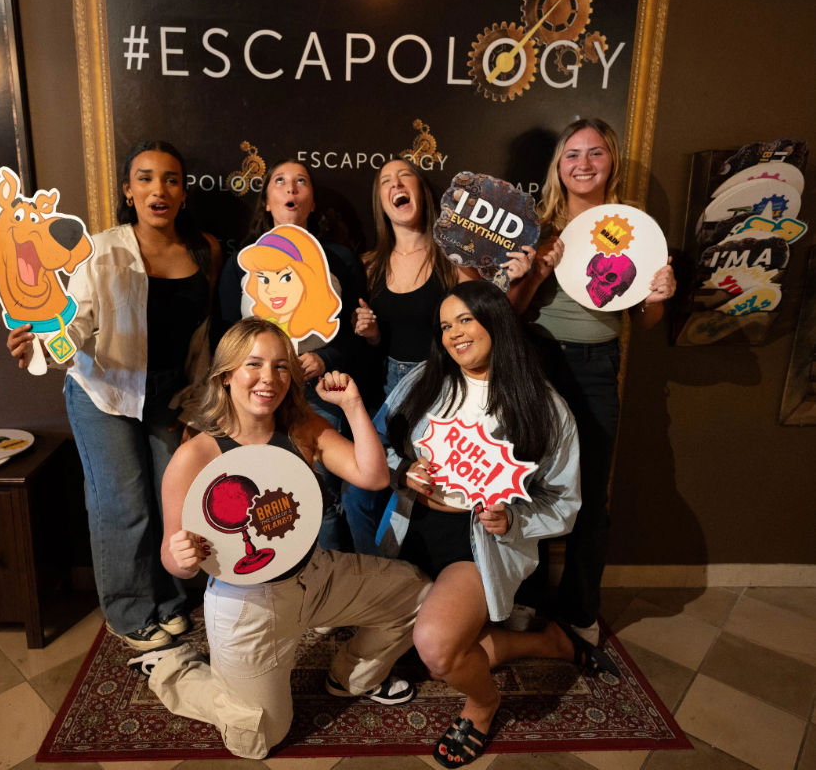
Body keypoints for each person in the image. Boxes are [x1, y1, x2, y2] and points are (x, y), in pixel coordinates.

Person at [136, 318, 430, 760]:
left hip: (313, 573)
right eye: (253, 364)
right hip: (246, 603)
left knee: (417, 591)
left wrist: (352, 406)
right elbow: (173, 561)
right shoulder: (194, 456)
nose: (268, 378)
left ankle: (350, 678)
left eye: (280, 367)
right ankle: (172, 669)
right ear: (226, 375)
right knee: (257, 740)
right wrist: (182, 556)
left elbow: (372, 476)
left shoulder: (302, 427)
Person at [376, 280, 617, 767]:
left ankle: (483, 704)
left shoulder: (543, 407)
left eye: (465, 319)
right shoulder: (423, 381)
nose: (454, 333)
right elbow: (375, 445)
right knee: (389, 642)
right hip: (410, 528)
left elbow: (565, 503)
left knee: (438, 651)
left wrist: (513, 517)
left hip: (479, 543)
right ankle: (545, 642)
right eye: (445, 325)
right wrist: (403, 469)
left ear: (496, 322)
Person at [7, 140, 222, 650]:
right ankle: (129, 614)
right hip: (104, 393)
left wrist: (198, 407)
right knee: (123, 507)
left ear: (184, 193)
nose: (158, 189)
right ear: (128, 190)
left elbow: (203, 338)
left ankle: (169, 600)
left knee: (174, 503)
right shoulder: (101, 248)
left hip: (169, 399)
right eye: (145, 178)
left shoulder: (205, 251)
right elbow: (76, 323)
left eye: (170, 179)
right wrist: (40, 346)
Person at [508, 118, 677, 644]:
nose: (583, 164)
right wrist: (538, 269)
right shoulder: (537, 227)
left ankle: (580, 609)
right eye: (572, 154)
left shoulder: (634, 229)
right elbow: (508, 312)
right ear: (559, 166)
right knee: (529, 484)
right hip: (537, 361)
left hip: (599, 363)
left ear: (611, 162)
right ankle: (528, 602)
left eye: (595, 153)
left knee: (590, 490)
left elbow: (644, 321)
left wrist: (657, 299)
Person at [345, 159, 531, 553]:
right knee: (360, 493)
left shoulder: (452, 259)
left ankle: (412, 582)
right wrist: (373, 334)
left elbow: (483, 322)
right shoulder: (369, 265)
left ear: (422, 191)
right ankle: (375, 576)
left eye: (405, 176)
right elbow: (371, 346)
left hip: (442, 387)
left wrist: (521, 281)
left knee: (415, 495)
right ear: (380, 200)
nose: (396, 184)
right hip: (390, 391)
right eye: (385, 181)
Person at [216, 160, 365, 551]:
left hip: (317, 393)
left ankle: (328, 585)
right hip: (257, 396)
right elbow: (228, 333)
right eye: (280, 181)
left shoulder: (340, 259)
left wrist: (326, 359)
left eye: (301, 181)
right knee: (263, 494)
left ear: (312, 201)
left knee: (321, 492)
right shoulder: (240, 263)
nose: (291, 188)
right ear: (267, 201)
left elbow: (356, 334)